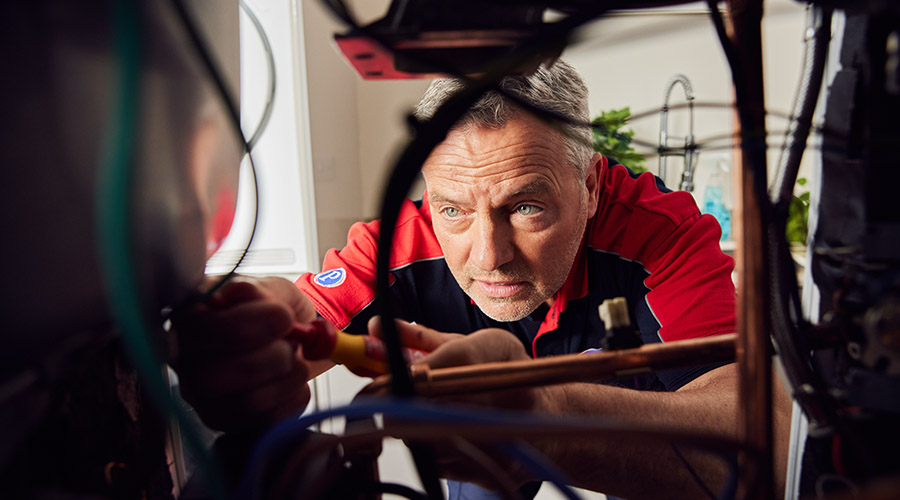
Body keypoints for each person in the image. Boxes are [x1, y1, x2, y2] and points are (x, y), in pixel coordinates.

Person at [172, 60, 791, 500]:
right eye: (453, 210)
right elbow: (296, 312)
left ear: (592, 185)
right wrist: (256, 329)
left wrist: (538, 413)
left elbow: (769, 439)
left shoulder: (660, 235)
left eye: (526, 206)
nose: (489, 255)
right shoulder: (403, 242)